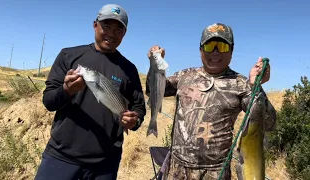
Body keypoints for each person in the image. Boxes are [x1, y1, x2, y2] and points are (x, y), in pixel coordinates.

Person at [146, 23, 277, 180]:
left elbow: (269, 123)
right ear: (201, 49)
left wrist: (255, 86)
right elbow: (152, 90)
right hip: (177, 169)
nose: (215, 52)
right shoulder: (184, 75)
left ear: (231, 50)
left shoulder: (240, 83)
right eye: (209, 46)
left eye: (221, 46)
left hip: (215, 173)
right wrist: (154, 64)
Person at [35, 4, 146, 180]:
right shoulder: (68, 55)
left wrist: (134, 120)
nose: (111, 33)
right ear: (95, 25)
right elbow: (49, 101)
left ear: (124, 34)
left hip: (105, 164)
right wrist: (66, 90)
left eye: (118, 29)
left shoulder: (129, 69)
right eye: (106, 26)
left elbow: (139, 107)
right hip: (61, 157)